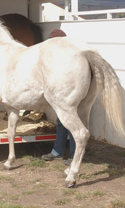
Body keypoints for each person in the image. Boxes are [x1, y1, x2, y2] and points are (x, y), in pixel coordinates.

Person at [41, 29, 76, 166]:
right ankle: (57, 151)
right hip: (62, 95)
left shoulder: (70, 57)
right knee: (61, 122)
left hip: (70, 94)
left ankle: (75, 156)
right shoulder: (57, 56)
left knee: (72, 123)